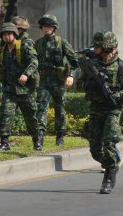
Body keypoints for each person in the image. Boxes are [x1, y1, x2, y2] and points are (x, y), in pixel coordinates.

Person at [80, 31, 123, 194]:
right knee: (95, 150)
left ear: (106, 48)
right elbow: (80, 84)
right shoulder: (92, 64)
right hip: (96, 108)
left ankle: (109, 176)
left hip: (112, 109)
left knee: (108, 142)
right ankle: (112, 164)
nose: (94, 49)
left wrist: (116, 95)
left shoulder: (121, 66)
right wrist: (89, 84)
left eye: (97, 46)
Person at [0, 22, 42, 151]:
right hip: (9, 90)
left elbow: (34, 61)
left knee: (30, 116)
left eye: (9, 34)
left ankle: (36, 139)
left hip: (26, 90)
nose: (7, 37)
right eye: (4, 35)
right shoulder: (1, 53)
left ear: (15, 35)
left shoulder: (24, 46)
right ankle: (4, 142)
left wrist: (26, 74)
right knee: (5, 114)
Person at [34, 14, 79, 146]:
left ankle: (60, 135)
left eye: (49, 26)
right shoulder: (38, 43)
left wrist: (70, 75)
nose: (46, 29)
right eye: (44, 27)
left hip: (58, 80)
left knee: (59, 108)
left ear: (54, 28)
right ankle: (40, 136)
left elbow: (74, 60)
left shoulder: (61, 42)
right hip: (43, 80)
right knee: (41, 108)